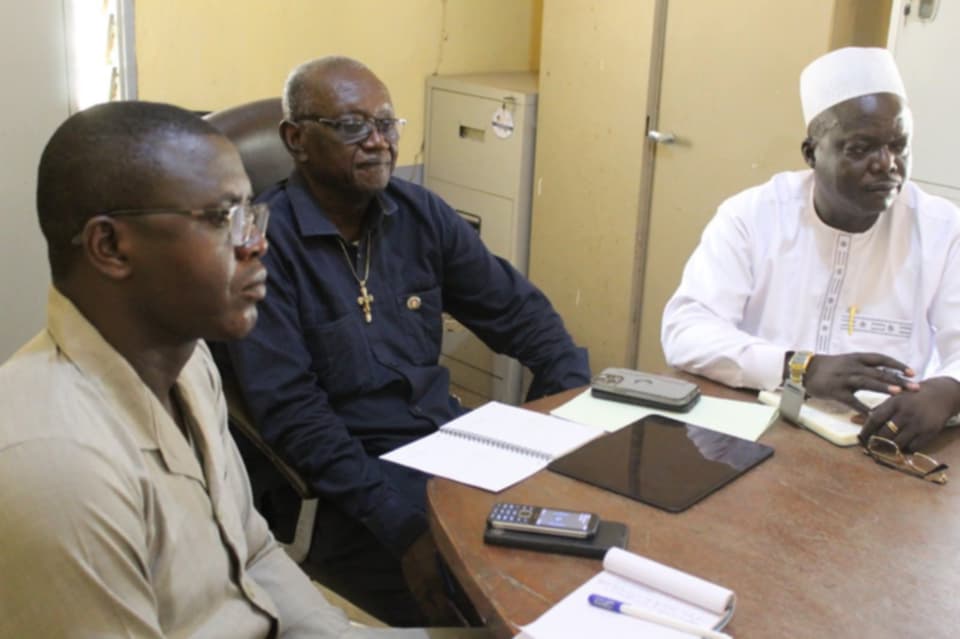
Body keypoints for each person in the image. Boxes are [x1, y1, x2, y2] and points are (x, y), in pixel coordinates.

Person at [0, 101, 438, 638]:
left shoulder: (188, 362)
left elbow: (252, 554)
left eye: (250, 214)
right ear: (110, 246)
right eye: (220, 219)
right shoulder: (58, 468)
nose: (256, 243)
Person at [217, 56, 590, 625]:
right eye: (351, 127)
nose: (378, 142)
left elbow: (524, 316)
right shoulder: (267, 248)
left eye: (387, 124)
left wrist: (554, 423)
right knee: (497, 602)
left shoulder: (421, 215)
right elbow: (296, 418)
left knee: (584, 544)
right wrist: (404, 527)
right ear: (296, 139)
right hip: (353, 488)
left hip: (452, 447)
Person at [661, 47, 960, 453]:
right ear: (811, 154)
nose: (887, 164)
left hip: (880, 452)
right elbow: (686, 330)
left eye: (899, 145)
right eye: (861, 148)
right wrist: (799, 368)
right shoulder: (752, 217)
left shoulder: (942, 230)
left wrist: (948, 389)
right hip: (753, 435)